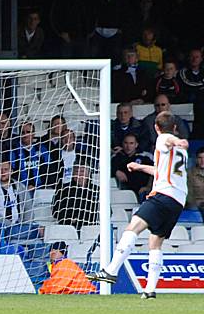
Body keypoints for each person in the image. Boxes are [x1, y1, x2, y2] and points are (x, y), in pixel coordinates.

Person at [87, 111, 189, 300]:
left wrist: (178, 140)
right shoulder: (180, 153)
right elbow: (160, 171)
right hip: (177, 201)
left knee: (133, 226)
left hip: (163, 195)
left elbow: (167, 139)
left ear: (156, 128)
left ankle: (111, 270)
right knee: (155, 242)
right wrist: (140, 166)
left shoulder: (163, 140)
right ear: (175, 126)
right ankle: (150, 290)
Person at [52, 160, 99, 230]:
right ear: (73, 174)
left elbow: (107, 212)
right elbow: (56, 212)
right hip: (68, 227)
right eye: (77, 172)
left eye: (82, 171)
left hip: (91, 227)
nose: (80, 175)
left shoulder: (97, 190)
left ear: (88, 173)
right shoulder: (63, 189)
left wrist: (79, 218)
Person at [111, 133, 153, 201]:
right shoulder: (117, 157)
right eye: (126, 143)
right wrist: (116, 171)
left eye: (131, 143)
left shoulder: (144, 156)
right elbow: (107, 169)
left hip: (142, 192)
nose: (128, 146)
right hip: (123, 191)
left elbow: (154, 172)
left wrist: (148, 187)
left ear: (136, 144)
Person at [187, 147, 204, 218]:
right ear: (196, 159)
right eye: (200, 158)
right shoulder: (189, 174)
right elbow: (189, 197)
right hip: (195, 208)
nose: (202, 160)